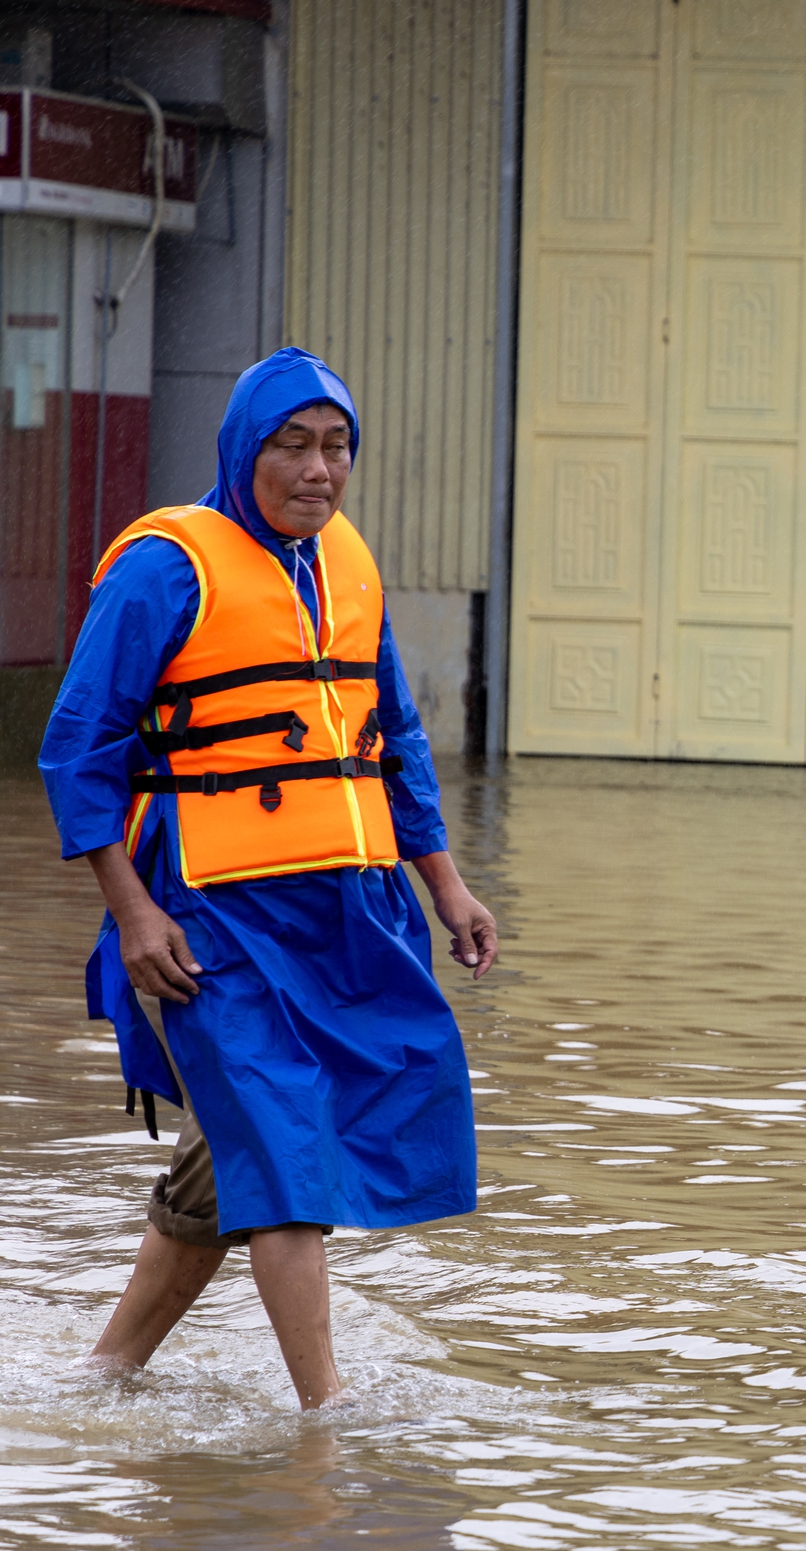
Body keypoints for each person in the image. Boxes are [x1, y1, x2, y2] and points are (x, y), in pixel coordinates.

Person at [39, 347, 497, 1410]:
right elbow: (77, 746)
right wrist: (132, 908)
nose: (318, 469)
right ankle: (327, 1428)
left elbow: (396, 742)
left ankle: (100, 1381)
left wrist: (447, 884)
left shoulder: (351, 565)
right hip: (206, 916)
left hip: (345, 914)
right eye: (292, 444)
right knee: (288, 1168)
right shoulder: (166, 568)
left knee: (244, 1161)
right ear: (245, 447)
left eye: (336, 445)